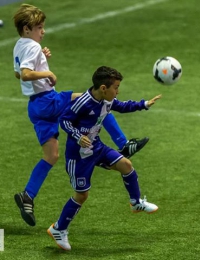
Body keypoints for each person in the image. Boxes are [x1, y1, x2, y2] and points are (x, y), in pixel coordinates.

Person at [12, 4, 149, 227]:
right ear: (27, 29)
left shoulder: (20, 45)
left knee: (51, 155)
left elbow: (17, 71)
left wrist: (40, 58)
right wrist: (47, 71)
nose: (43, 31)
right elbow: (26, 75)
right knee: (95, 100)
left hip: (35, 107)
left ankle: (28, 196)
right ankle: (123, 144)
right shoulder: (32, 47)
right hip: (48, 100)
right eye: (39, 27)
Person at [47, 66, 161, 250]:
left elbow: (123, 106)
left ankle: (136, 203)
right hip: (79, 156)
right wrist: (77, 136)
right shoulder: (83, 102)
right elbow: (64, 120)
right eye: (115, 87)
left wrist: (144, 104)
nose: (117, 91)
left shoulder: (108, 99)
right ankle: (58, 229)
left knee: (126, 164)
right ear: (103, 88)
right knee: (82, 195)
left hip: (97, 147)